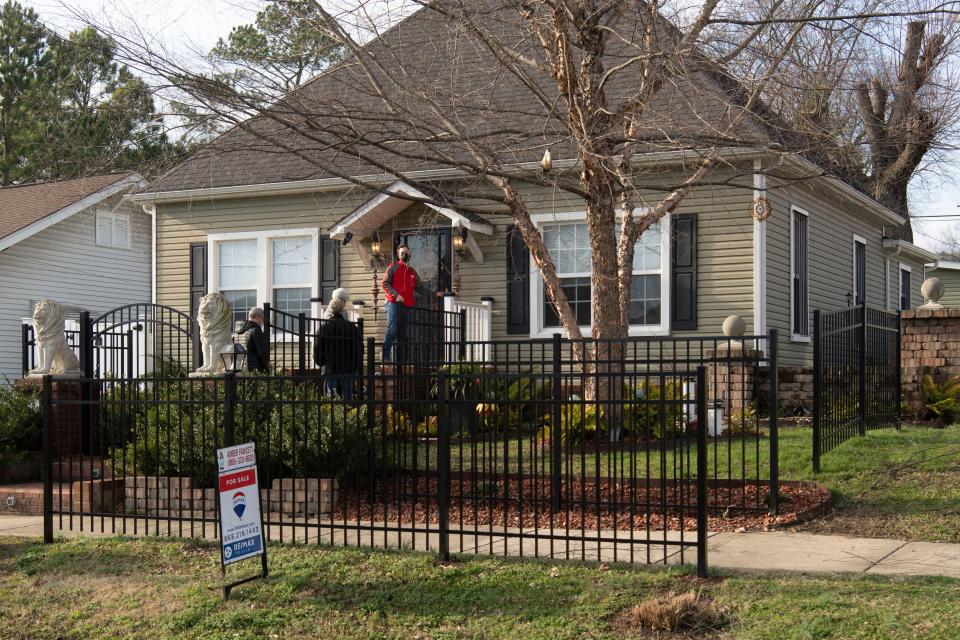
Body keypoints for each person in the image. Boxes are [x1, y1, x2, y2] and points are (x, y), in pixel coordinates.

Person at [314, 288, 361, 399]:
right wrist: (355, 365)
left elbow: (318, 347)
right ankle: (349, 415)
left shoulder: (324, 327)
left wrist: (321, 362)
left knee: (331, 399)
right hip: (348, 369)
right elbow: (358, 347)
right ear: (342, 310)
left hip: (330, 369)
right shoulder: (352, 327)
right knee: (348, 398)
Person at [381, 244, 420, 362]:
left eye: (406, 252)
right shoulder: (392, 267)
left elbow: (420, 287)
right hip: (392, 302)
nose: (404, 254)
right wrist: (396, 295)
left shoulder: (412, 271)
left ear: (410, 254)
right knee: (392, 329)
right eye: (402, 253)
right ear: (398, 255)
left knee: (405, 332)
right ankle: (385, 357)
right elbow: (385, 283)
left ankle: (402, 360)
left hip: (407, 305)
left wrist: (434, 294)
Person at [234, 307, 269, 372]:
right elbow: (261, 352)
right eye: (263, 318)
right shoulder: (255, 330)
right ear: (258, 317)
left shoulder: (237, 332)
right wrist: (267, 369)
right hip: (254, 369)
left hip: (240, 367)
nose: (263, 321)